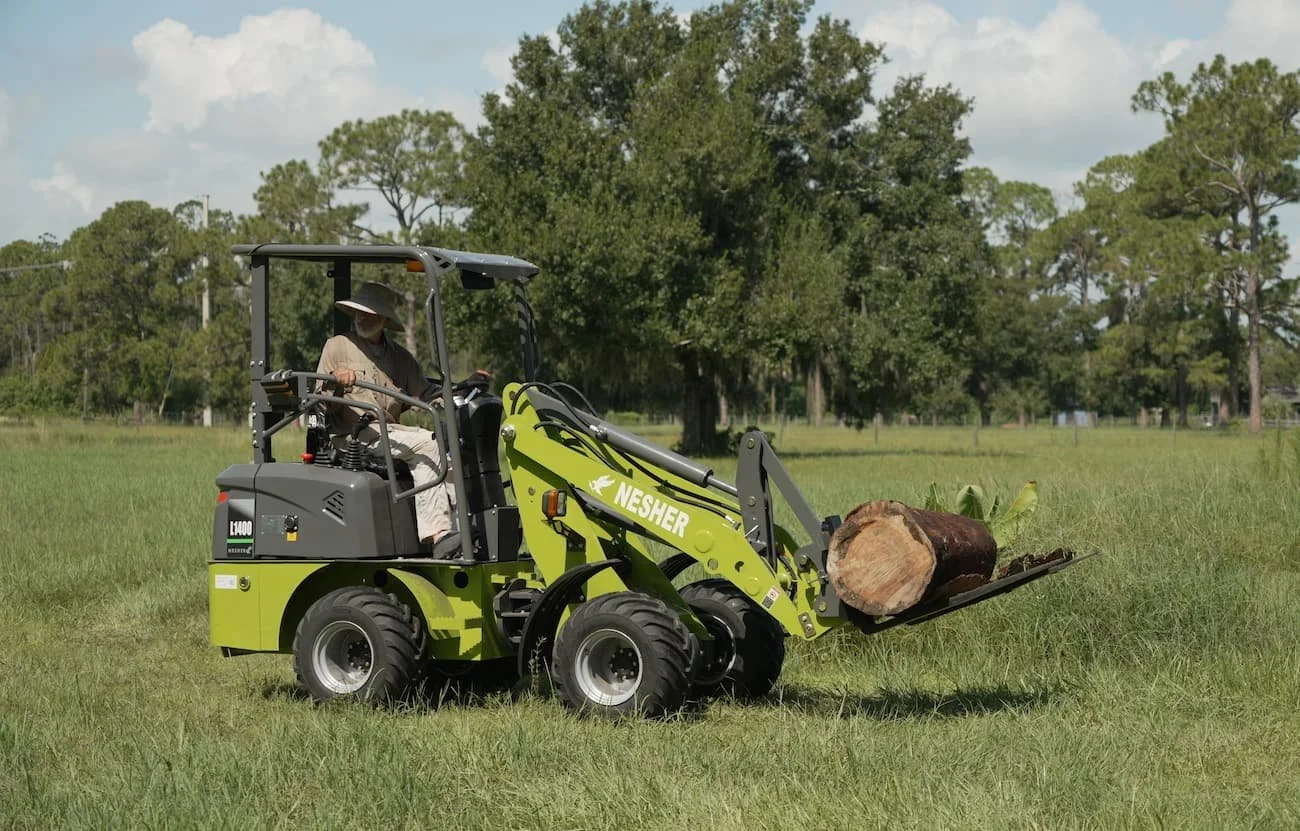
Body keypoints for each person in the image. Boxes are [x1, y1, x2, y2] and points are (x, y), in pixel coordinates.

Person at [315, 281, 477, 546]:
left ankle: (464, 531)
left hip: (391, 433)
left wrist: (460, 390)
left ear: (383, 319)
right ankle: (437, 534)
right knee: (427, 442)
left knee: (448, 451)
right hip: (355, 437)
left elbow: (424, 394)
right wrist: (335, 380)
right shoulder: (338, 346)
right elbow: (320, 402)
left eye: (369, 314)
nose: (361, 318)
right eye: (358, 312)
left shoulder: (400, 358)